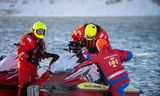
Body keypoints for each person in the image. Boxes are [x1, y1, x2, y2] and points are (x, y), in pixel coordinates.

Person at [16, 21, 59, 96]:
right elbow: (20, 52)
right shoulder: (27, 39)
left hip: (34, 66)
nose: (41, 33)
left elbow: (40, 54)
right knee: (24, 83)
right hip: (25, 65)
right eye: (39, 31)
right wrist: (29, 59)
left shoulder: (41, 42)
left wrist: (50, 55)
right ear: (34, 30)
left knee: (35, 83)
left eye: (42, 31)